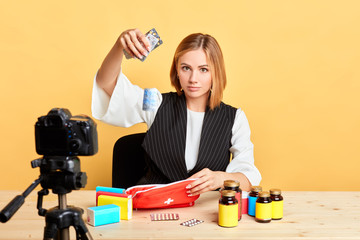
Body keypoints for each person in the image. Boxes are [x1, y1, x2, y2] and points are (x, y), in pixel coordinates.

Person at [92, 28, 261, 196]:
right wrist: (118, 47)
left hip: (205, 213)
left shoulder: (234, 118)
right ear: (177, 71)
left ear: (216, 73)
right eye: (186, 68)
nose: (193, 78)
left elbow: (248, 178)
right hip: (153, 208)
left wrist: (220, 178)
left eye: (203, 69)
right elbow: (106, 83)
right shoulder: (155, 102)